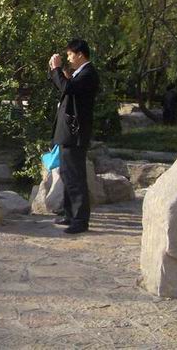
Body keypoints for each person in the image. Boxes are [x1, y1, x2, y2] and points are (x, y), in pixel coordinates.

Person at [49, 39, 100, 235]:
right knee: (66, 173)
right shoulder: (79, 74)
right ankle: (69, 213)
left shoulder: (88, 73)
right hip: (68, 132)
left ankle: (80, 219)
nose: (68, 58)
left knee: (76, 176)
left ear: (80, 54)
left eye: (70, 54)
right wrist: (57, 73)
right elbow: (66, 87)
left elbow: (67, 88)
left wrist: (57, 69)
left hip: (75, 132)